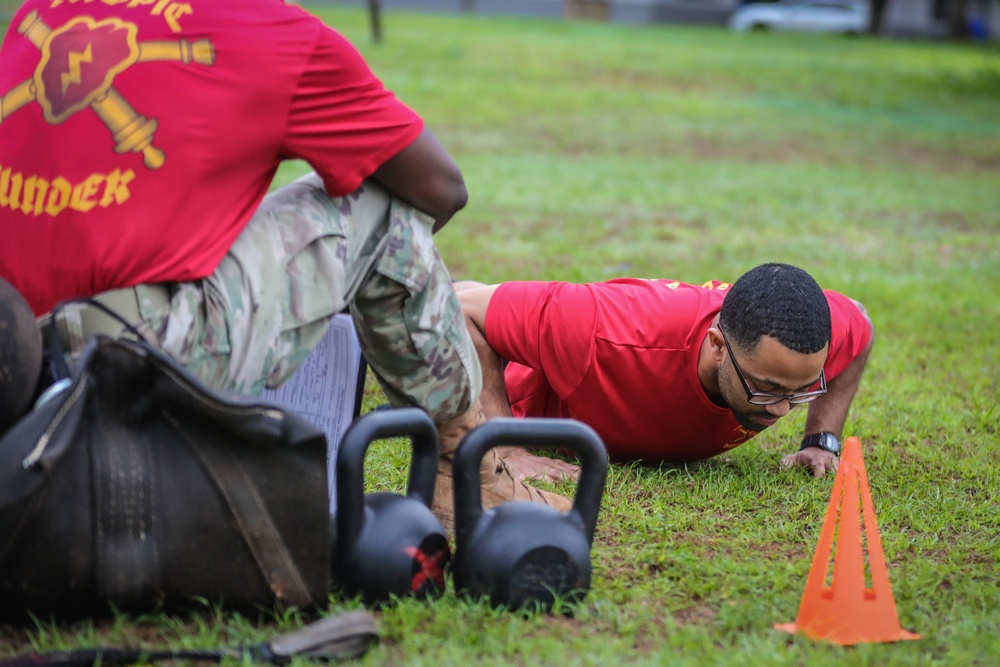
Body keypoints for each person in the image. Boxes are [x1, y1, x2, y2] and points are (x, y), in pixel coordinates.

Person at [0, 0, 567, 527]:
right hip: (123, 370)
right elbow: (441, 189)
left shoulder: (45, 10)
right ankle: (468, 468)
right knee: (379, 205)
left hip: (13, 361)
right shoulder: (275, 33)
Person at [456, 263, 874, 480]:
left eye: (800, 391)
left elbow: (860, 322)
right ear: (717, 347)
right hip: (505, 375)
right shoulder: (603, 329)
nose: (782, 409)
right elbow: (461, 312)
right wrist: (506, 449)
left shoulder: (807, 338)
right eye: (765, 388)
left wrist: (821, 441)